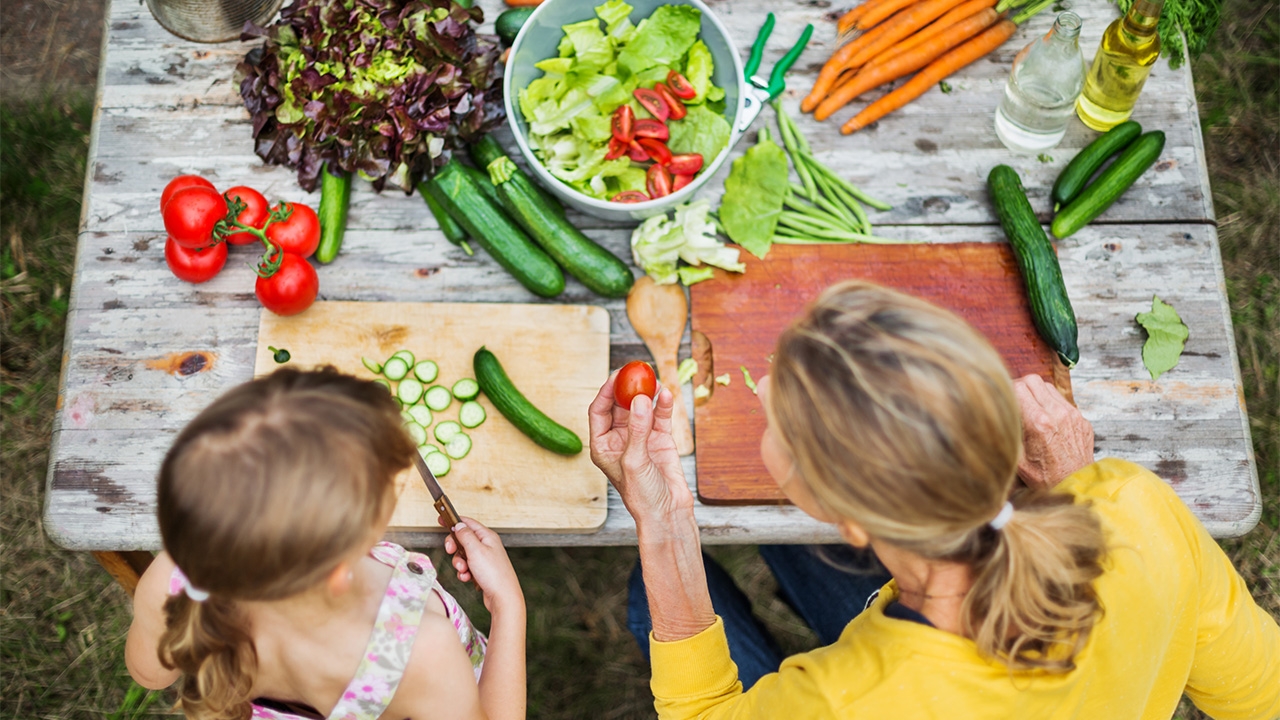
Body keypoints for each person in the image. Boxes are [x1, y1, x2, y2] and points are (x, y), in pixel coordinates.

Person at [589, 280, 1280, 719]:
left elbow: (705, 712)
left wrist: (665, 520)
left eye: (783, 425)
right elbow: (1262, 695)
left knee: (654, 601)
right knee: (778, 543)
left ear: (852, 522)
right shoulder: (1133, 507)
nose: (766, 396)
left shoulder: (841, 702)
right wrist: (1077, 491)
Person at [125, 367, 525, 720]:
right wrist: (508, 606)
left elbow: (150, 672)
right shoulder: (426, 654)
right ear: (338, 571)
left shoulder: (171, 579)